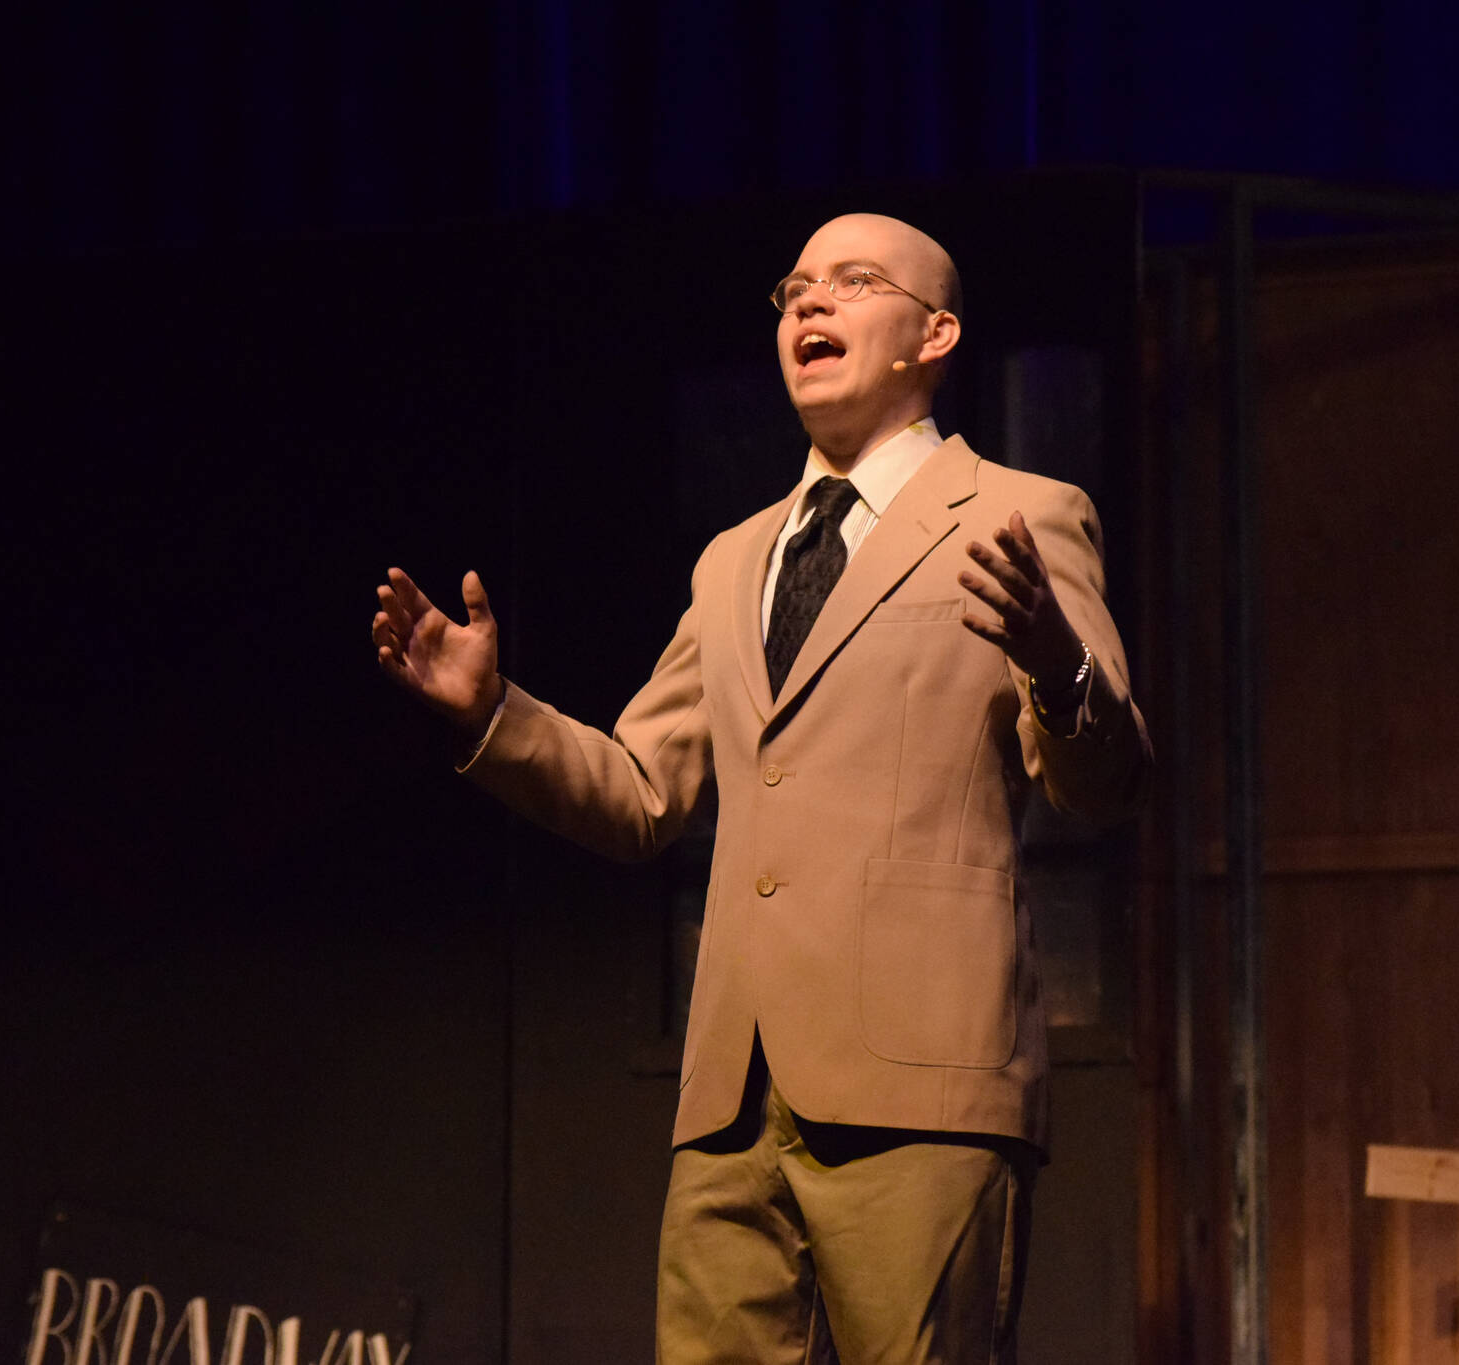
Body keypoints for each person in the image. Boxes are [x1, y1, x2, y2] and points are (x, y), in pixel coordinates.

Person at [371, 213, 1150, 1364]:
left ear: (932, 335)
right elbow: (643, 791)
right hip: (732, 1093)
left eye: (849, 282)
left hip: (921, 1076)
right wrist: (496, 715)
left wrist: (1051, 657)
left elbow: (1105, 781)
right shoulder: (733, 558)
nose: (808, 305)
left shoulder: (1019, 514)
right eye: (792, 289)